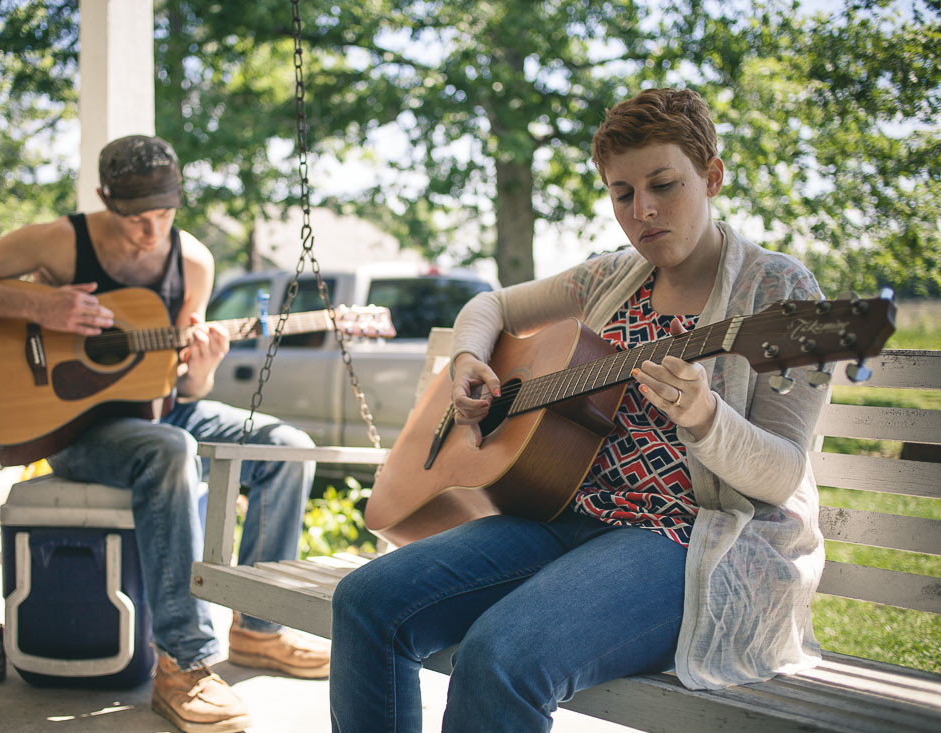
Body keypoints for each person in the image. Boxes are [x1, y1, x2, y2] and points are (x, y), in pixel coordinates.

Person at [329, 88, 828, 732]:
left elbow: (784, 474)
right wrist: (468, 362)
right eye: (622, 194)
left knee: (500, 657)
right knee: (367, 601)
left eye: (663, 184)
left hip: (689, 541)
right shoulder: (608, 277)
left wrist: (708, 420)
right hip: (563, 515)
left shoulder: (778, 292)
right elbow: (491, 308)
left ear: (712, 176)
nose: (642, 210)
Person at [0, 134, 330, 733]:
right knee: (171, 449)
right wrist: (37, 309)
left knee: (288, 448)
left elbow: (180, 391)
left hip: (158, 416)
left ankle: (259, 631)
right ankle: (182, 664)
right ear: (105, 199)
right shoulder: (59, 241)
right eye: (135, 219)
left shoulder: (193, 262)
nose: (151, 233)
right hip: (77, 431)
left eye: (164, 214)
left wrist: (202, 368)